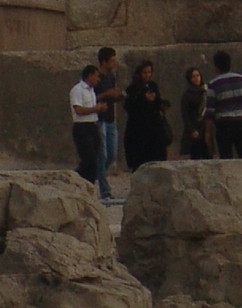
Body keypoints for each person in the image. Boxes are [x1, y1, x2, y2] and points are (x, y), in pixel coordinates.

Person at [206, 51, 242, 160]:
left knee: (226, 157)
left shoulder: (213, 84)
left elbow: (210, 111)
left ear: (216, 66)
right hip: (241, 122)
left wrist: (207, 132)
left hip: (224, 124)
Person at [123, 58, 172, 170]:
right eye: (145, 72)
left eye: (149, 72)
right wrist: (143, 99)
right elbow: (128, 106)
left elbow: (157, 102)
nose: (147, 75)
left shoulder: (152, 86)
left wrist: (162, 104)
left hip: (154, 129)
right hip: (138, 130)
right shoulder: (133, 88)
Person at [69, 63, 106, 197]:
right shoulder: (77, 90)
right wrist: (95, 109)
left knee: (95, 160)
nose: (98, 79)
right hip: (82, 127)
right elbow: (78, 110)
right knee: (88, 159)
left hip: (93, 126)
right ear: (89, 75)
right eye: (96, 76)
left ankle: (88, 187)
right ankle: (74, 181)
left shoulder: (91, 91)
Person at [92, 48, 125, 193]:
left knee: (111, 154)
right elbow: (91, 99)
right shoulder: (95, 77)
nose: (114, 63)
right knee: (102, 154)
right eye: (112, 60)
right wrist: (107, 93)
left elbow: (112, 97)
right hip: (99, 119)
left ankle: (93, 175)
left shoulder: (111, 76)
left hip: (110, 118)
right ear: (104, 61)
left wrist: (119, 95)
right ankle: (105, 190)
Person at [179, 65, 214, 161]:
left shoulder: (205, 92)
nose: (196, 78)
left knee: (208, 156)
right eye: (193, 76)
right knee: (196, 157)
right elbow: (185, 114)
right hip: (195, 128)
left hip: (205, 128)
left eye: (198, 75)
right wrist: (192, 130)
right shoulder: (187, 95)